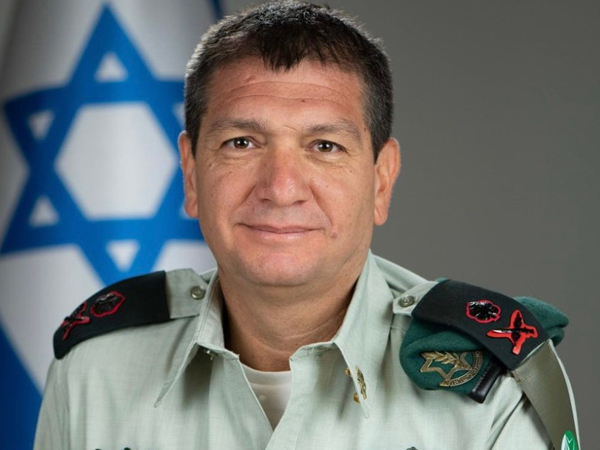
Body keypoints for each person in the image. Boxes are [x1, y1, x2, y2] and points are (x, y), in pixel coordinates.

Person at [34, 1, 579, 449]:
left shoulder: (493, 387)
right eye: (241, 143)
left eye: (324, 146)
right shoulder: (95, 371)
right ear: (191, 173)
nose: (281, 187)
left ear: (381, 180)